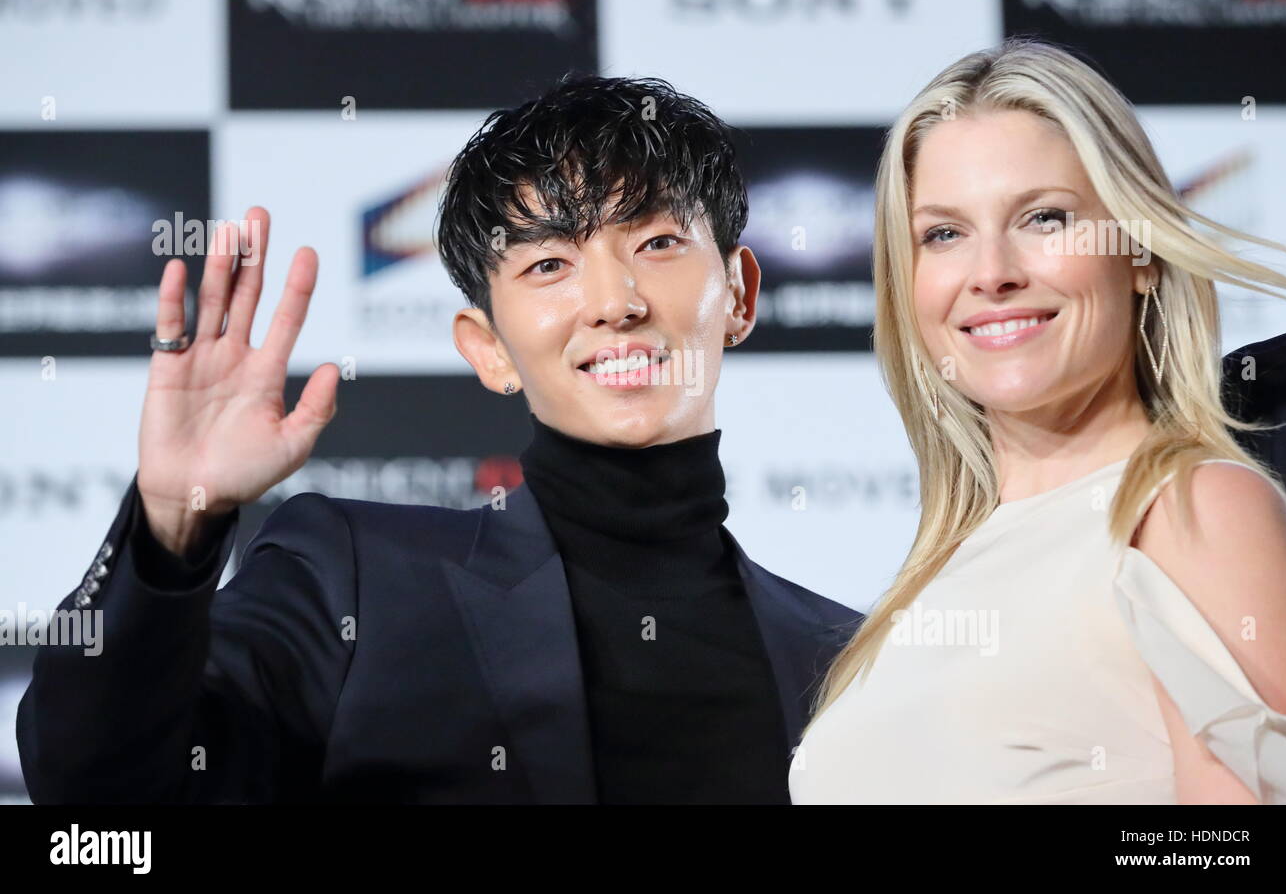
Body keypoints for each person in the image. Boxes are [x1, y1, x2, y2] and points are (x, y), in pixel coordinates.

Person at [17, 76, 862, 804]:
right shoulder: (350, 579)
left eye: (658, 242)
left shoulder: (849, 661)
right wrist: (169, 528)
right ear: (487, 347)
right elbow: (99, 794)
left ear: (741, 294)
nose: (616, 299)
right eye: (548, 266)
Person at [790, 40, 1286, 804]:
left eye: (1044, 218)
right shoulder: (938, 573)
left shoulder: (1193, 508)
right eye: (944, 234)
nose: (991, 272)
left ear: (1138, 249)